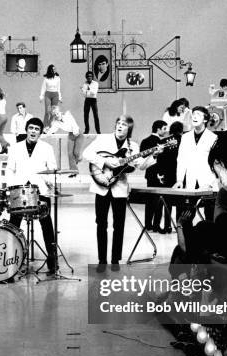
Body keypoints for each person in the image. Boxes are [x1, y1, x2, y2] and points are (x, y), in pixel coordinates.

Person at [83, 115, 156, 266]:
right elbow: (86, 154)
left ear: (129, 128)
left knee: (119, 225)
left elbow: (140, 165)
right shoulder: (103, 139)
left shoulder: (133, 146)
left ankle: (115, 260)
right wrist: (105, 161)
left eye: (124, 124)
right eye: (118, 123)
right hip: (101, 186)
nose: (120, 126)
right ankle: (102, 260)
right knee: (101, 224)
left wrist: (153, 156)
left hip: (120, 188)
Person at [5, 117, 58, 273]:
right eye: (31, 128)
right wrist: (11, 187)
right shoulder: (15, 148)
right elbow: (9, 169)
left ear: (40, 132)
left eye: (36, 129)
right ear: (26, 130)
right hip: (19, 190)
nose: (33, 131)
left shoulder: (47, 148)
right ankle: (11, 258)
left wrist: (47, 182)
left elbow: (52, 168)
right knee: (14, 224)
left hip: (40, 190)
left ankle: (52, 259)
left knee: (46, 224)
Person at [174, 106, 218, 220]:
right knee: (186, 217)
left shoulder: (213, 137)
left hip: (208, 181)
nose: (194, 116)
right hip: (190, 181)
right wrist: (179, 179)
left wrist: (212, 181)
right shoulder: (185, 137)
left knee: (210, 217)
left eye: (198, 114)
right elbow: (181, 160)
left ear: (205, 119)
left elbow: (216, 162)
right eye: (193, 114)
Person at [141, 120, 167, 232]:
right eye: (164, 129)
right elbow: (163, 160)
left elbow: (141, 158)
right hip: (159, 173)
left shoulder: (144, 141)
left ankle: (148, 225)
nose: (166, 131)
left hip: (149, 173)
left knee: (149, 201)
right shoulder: (161, 142)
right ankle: (156, 225)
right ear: (158, 129)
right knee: (159, 201)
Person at [46, 105, 82, 175]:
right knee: (70, 154)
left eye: (57, 113)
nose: (57, 115)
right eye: (55, 115)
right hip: (71, 134)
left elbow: (73, 123)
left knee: (76, 153)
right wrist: (46, 132)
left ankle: (77, 159)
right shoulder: (56, 123)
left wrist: (76, 132)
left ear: (59, 111)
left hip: (78, 133)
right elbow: (52, 130)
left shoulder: (67, 115)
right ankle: (73, 172)